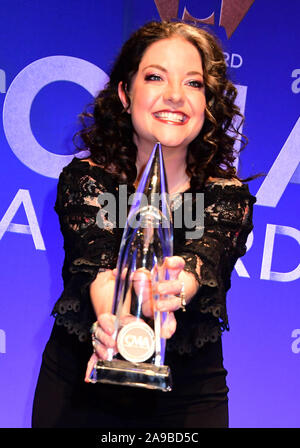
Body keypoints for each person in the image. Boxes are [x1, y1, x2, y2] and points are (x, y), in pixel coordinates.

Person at [32, 20, 256, 428]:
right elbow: (97, 263)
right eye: (155, 77)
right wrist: (115, 322)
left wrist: (170, 291)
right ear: (125, 92)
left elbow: (205, 260)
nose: (174, 96)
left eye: (193, 83)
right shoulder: (86, 180)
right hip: (81, 387)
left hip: (188, 400)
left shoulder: (227, 196)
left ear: (207, 104)